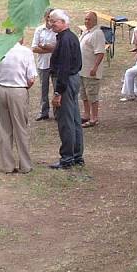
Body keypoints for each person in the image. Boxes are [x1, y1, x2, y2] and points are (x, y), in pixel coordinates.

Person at [0, 33, 37, 174]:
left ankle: (7, 165)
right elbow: (31, 78)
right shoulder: (26, 52)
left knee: (4, 129)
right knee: (21, 128)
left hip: (0, 89)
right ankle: (25, 165)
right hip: (18, 89)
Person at [47, 9, 84, 169]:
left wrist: (58, 92)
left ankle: (67, 158)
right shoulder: (70, 37)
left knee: (66, 120)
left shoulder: (65, 39)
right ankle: (76, 155)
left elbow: (64, 66)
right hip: (72, 80)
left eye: (54, 21)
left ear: (62, 22)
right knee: (74, 118)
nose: (51, 24)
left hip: (66, 82)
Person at [79, 11, 106, 127]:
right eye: (85, 19)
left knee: (92, 95)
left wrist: (95, 67)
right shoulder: (86, 32)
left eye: (89, 19)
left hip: (91, 71)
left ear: (95, 21)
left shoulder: (97, 33)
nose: (86, 21)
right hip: (82, 70)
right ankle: (86, 115)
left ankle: (94, 118)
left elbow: (100, 52)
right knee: (84, 95)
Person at [31, 8, 57, 120]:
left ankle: (58, 113)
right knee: (43, 89)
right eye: (48, 17)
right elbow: (34, 48)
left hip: (56, 64)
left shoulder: (57, 31)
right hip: (43, 64)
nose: (49, 19)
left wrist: (44, 46)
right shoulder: (39, 30)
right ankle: (44, 112)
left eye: (52, 17)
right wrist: (50, 49)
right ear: (45, 17)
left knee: (57, 89)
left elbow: (59, 48)